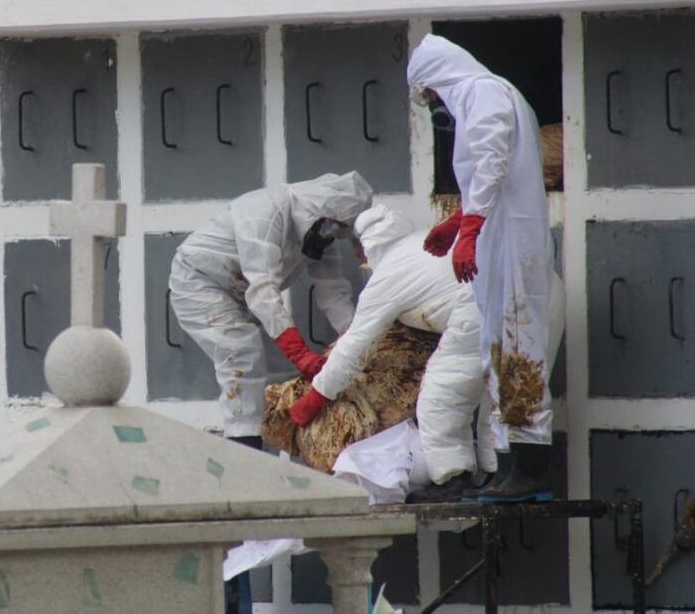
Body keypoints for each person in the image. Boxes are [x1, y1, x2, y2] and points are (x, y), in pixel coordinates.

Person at [406, 33, 554, 502]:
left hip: (511, 241)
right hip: (500, 237)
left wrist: (470, 229)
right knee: (498, 350)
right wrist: (458, 223)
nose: (435, 105)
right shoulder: (483, 93)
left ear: (437, 79)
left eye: (429, 95)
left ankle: (530, 470)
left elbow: (491, 161)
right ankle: (511, 468)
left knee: (517, 347)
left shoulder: (483, 91)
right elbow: (490, 177)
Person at [288, 205, 488, 502]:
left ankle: (452, 479)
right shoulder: (421, 242)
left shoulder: (392, 269)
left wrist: (314, 397)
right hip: (529, 295)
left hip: (477, 312)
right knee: (504, 396)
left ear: (369, 247)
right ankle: (499, 476)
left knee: (440, 396)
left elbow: (355, 345)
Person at [169, 172, 374, 444]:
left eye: (342, 231)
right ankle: (244, 446)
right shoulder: (264, 212)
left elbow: (333, 291)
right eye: (335, 226)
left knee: (282, 375)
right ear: (321, 212)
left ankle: (284, 443)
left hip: (240, 292)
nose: (333, 235)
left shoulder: (320, 231)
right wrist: (299, 353)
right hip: (200, 281)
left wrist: (355, 339)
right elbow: (262, 290)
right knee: (240, 353)